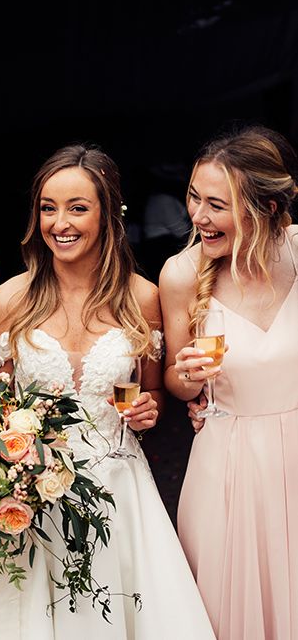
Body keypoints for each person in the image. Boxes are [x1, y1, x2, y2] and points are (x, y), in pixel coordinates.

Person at [0, 144, 215, 639]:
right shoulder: (7, 301)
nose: (60, 223)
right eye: (48, 208)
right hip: (32, 496)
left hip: (120, 490)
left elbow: (153, 392)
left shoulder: (141, 297)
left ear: (108, 214)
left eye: (77, 208)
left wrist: (151, 409)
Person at [160, 125, 298, 639]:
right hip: (229, 464)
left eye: (216, 204)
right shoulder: (180, 274)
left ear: (263, 206)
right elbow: (175, 383)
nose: (197, 216)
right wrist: (187, 376)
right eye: (194, 197)